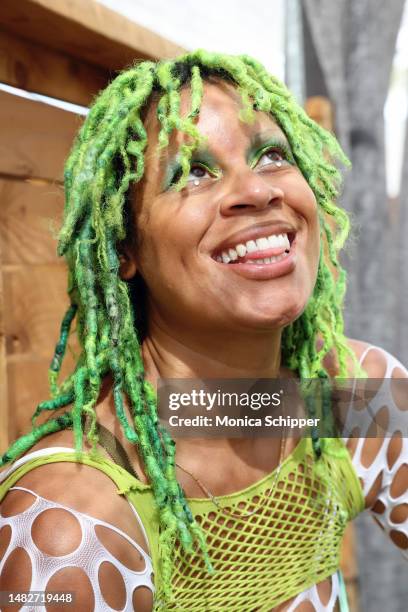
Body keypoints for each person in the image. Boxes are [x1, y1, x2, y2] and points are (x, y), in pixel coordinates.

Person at [0, 50, 407, 612]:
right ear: (124, 249)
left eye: (271, 156)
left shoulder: (344, 400)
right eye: (192, 171)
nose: (258, 191)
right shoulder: (72, 528)